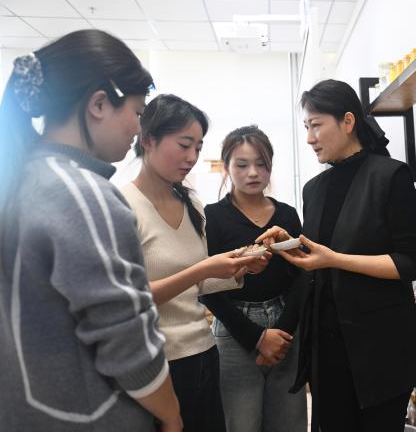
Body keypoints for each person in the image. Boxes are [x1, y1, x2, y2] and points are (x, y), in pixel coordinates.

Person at [0, 30, 181, 431]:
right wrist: (171, 414)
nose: (138, 130)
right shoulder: (82, 196)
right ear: (99, 104)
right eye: (137, 113)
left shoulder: (19, 179)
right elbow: (128, 343)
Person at [258, 79, 416, 432]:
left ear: (348, 121)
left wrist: (335, 259)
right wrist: (292, 244)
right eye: (306, 127)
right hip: (327, 348)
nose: (310, 138)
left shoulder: (390, 176)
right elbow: (321, 255)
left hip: (380, 349)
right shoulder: (315, 188)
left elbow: (411, 262)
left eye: (316, 125)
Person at [121, 94, 262, 432]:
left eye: (198, 148)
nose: (192, 157)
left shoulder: (191, 203)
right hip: (157, 363)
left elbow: (196, 285)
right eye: (184, 145)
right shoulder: (123, 206)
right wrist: (204, 268)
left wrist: (239, 268)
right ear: (148, 140)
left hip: (202, 352)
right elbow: (131, 298)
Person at [200, 125, 307, 432]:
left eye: (261, 164)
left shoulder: (287, 215)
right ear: (226, 167)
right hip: (234, 328)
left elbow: (303, 276)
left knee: (289, 422)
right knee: (240, 423)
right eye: (242, 165)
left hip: (286, 325)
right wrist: (257, 338)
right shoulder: (212, 217)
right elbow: (207, 287)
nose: (253, 173)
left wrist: (281, 334)